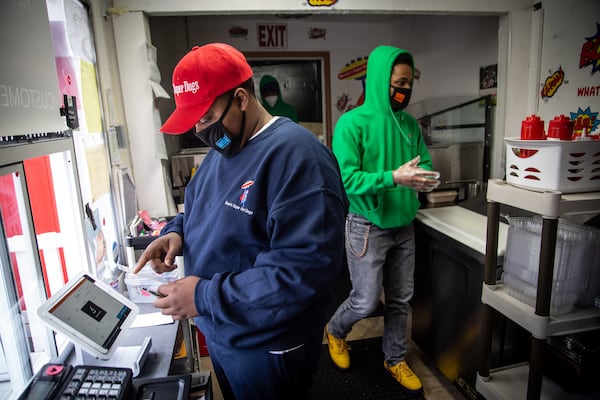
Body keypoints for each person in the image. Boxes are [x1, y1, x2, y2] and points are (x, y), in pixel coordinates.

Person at [132, 43, 348, 400]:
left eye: (206, 116)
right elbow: (204, 208)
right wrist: (175, 233)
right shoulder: (223, 150)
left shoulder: (299, 158)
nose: (201, 129)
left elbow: (302, 272)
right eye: (194, 120)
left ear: (241, 98)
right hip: (222, 330)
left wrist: (202, 294)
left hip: (267, 343)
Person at [324, 45, 440, 393]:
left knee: (401, 300)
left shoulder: (409, 125)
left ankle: (395, 358)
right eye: (398, 82)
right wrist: (394, 178)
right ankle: (335, 330)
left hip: (404, 225)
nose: (404, 90)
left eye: (408, 83)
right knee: (364, 300)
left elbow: (424, 163)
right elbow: (347, 180)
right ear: (379, 80)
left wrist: (427, 178)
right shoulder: (352, 124)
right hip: (367, 226)